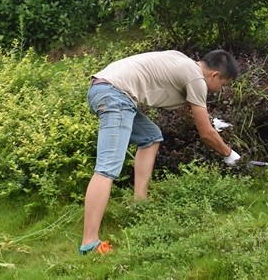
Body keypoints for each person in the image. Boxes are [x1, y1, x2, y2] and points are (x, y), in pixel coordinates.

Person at [79, 49, 241, 255]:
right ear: (215, 75)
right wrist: (231, 156)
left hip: (104, 88)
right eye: (223, 85)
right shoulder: (196, 79)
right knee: (107, 168)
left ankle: (140, 203)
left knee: (150, 137)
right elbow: (206, 133)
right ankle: (89, 243)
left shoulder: (183, 60)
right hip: (115, 95)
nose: (219, 91)